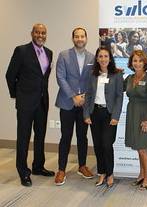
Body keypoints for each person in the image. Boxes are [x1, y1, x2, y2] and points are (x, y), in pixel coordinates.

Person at [6, 23, 55, 187]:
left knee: (40, 136)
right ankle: (23, 171)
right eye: (37, 32)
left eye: (43, 33)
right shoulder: (21, 51)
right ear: (32, 33)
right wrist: (17, 95)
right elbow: (10, 75)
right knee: (24, 138)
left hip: (42, 102)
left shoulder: (49, 53)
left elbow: (44, 78)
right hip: (26, 103)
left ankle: (38, 166)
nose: (40, 35)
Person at [54, 27, 95, 186]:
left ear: (86, 38)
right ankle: (61, 169)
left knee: (82, 136)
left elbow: (93, 79)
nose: (79, 39)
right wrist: (73, 96)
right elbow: (60, 77)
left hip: (84, 103)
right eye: (77, 36)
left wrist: (84, 96)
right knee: (65, 136)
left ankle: (82, 166)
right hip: (67, 102)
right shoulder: (64, 55)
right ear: (73, 39)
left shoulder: (92, 57)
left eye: (82, 36)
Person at [83, 46, 123, 188]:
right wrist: (86, 114)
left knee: (107, 144)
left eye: (106, 56)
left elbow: (119, 97)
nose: (103, 59)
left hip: (109, 114)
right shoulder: (92, 74)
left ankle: (110, 173)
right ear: (97, 59)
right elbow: (88, 95)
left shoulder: (117, 74)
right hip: (95, 113)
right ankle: (102, 173)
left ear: (110, 58)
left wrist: (116, 115)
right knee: (98, 145)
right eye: (100, 56)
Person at [124, 50, 147, 190]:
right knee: (138, 148)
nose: (137, 63)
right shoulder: (129, 78)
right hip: (132, 114)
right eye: (134, 60)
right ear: (131, 63)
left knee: (143, 149)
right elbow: (117, 88)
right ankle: (141, 174)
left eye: (140, 60)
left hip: (145, 115)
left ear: (145, 62)